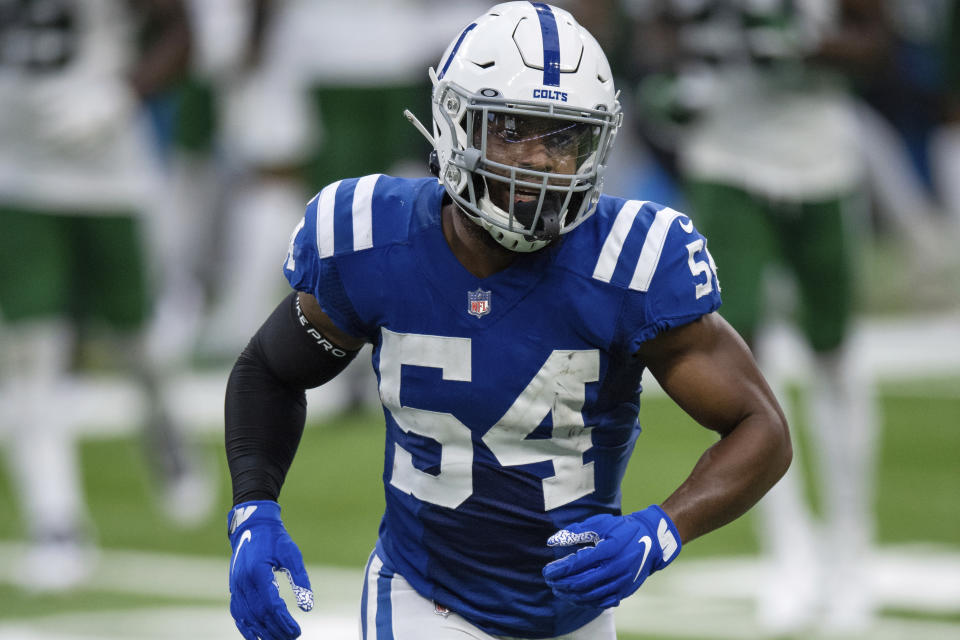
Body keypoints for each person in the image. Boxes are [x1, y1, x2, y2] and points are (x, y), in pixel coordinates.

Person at [224, 3, 791, 639]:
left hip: (574, 610)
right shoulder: (374, 239)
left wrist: (662, 529)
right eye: (513, 130)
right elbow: (269, 370)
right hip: (424, 596)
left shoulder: (631, 262)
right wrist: (254, 508)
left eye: (562, 137)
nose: (541, 161)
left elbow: (760, 427)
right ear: (457, 123)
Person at [630, 0, 888, 633]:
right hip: (726, 160)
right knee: (742, 362)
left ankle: (853, 548)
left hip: (822, 158)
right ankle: (790, 554)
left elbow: (879, 43)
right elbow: (656, 35)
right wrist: (671, 79)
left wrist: (802, 45)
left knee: (834, 354)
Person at [0, 0, 211, 590]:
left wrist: (123, 94)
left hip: (109, 173)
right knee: (27, 351)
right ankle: (56, 523)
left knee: (133, 341)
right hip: (17, 172)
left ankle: (162, 424)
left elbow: (182, 33)